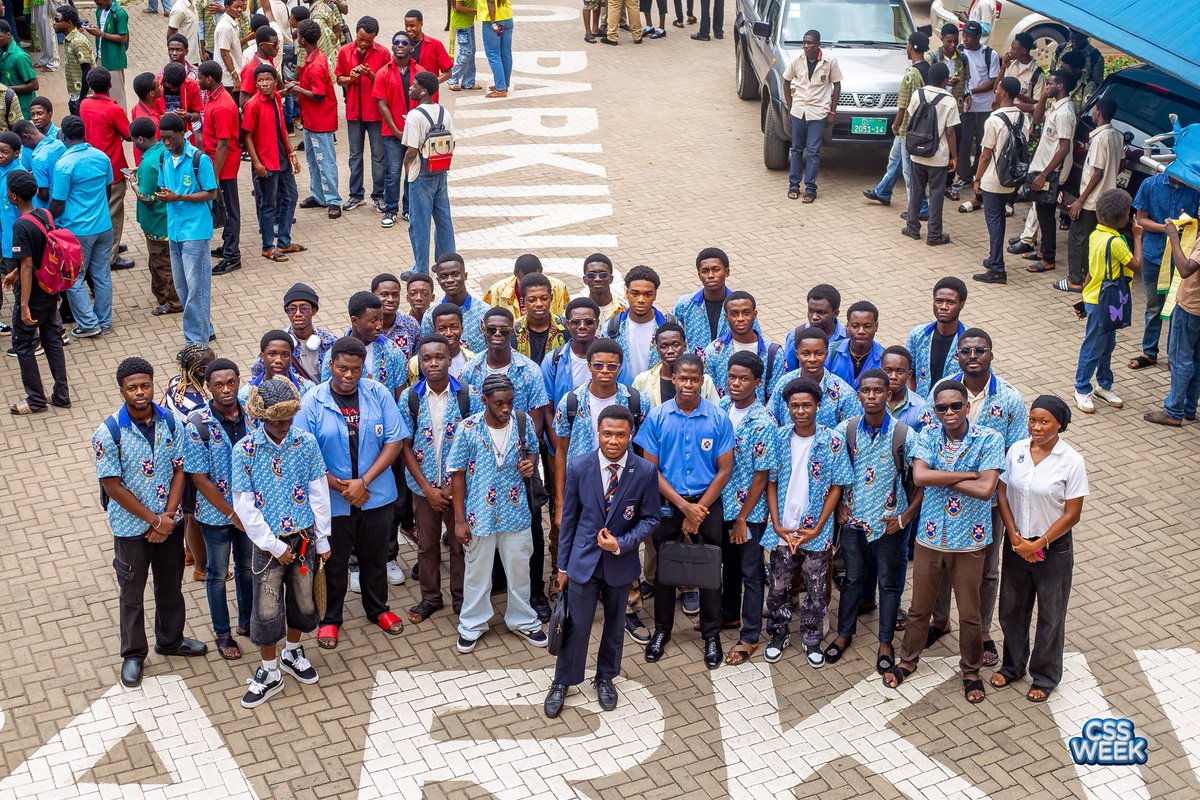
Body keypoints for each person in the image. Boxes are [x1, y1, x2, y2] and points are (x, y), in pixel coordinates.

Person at [883, 380, 1003, 704]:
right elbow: (921, 477)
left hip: (970, 539)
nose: (948, 413)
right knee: (920, 607)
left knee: (970, 612)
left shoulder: (990, 439)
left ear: (966, 406)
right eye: (941, 408)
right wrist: (966, 474)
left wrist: (943, 474)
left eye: (955, 406)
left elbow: (986, 490)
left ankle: (971, 671)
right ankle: (907, 661)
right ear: (934, 410)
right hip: (931, 537)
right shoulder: (927, 436)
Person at [93, 357, 208, 688]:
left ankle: (170, 640)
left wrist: (168, 517)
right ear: (122, 390)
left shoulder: (171, 422)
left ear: (152, 385)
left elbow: (180, 469)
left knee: (170, 584)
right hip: (131, 528)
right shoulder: (109, 432)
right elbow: (112, 484)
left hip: (168, 524)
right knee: (132, 592)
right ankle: (133, 654)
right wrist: (152, 519)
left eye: (145, 386)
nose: (140, 393)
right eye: (132, 388)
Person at [544, 405, 660, 717]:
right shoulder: (580, 466)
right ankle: (562, 681)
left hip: (619, 563)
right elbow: (568, 519)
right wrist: (563, 566)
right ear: (598, 432)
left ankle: (606, 677)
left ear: (630, 435)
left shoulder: (645, 471)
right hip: (583, 561)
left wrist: (622, 544)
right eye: (607, 433)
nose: (613, 440)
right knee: (576, 624)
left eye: (620, 434)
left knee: (614, 624)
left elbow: (650, 519)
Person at [923, 328, 1026, 667]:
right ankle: (939, 620)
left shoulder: (1009, 398)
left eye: (980, 350)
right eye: (966, 351)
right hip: (940, 499)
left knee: (987, 568)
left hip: (991, 499)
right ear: (957, 356)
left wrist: (992, 488)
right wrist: (958, 476)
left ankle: (981, 630)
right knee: (937, 560)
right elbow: (927, 441)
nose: (973, 356)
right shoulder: (941, 392)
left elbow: (1015, 453)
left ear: (991, 354)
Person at [296, 336, 407, 649]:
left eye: (355, 370)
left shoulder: (379, 394)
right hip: (333, 500)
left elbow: (395, 441)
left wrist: (365, 482)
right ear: (330, 365)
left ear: (363, 369)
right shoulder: (313, 401)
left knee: (375, 556)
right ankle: (331, 619)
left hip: (376, 495)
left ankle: (378, 609)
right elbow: (306, 452)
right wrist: (341, 486)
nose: (348, 375)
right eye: (342, 368)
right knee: (334, 561)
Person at [232, 378, 332, 708]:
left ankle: (292, 652)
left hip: (303, 538)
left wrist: (323, 539)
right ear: (261, 419)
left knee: (304, 603)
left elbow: (318, 491)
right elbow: (243, 505)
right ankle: (269, 670)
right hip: (267, 545)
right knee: (265, 608)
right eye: (276, 421)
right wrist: (275, 546)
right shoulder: (244, 450)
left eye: (288, 419)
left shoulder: (306, 443)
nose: (283, 426)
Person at [637, 353, 734, 668]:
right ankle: (662, 630)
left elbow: (724, 470)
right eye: (683, 378)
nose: (689, 384)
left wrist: (699, 509)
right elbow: (650, 470)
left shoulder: (718, 418)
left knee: (709, 569)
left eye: (695, 379)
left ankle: (711, 634)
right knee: (665, 568)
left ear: (702, 380)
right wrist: (683, 507)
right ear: (674, 379)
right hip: (668, 503)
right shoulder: (658, 417)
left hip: (707, 503)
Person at [458, 305, 552, 612]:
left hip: (520, 464)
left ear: (514, 332)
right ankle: (497, 583)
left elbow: (537, 419)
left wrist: (526, 455)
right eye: (492, 330)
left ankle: (534, 592)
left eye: (505, 330)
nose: (498, 335)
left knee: (530, 529)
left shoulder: (529, 370)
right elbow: (465, 416)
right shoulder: (470, 371)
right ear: (482, 329)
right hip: (482, 466)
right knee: (485, 528)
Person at [993, 395, 1087, 702]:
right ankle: (1013, 666)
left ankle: (1045, 675)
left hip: (1053, 548)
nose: (1036, 427)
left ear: (1059, 424)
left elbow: (1072, 513)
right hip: (1017, 542)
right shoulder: (1017, 451)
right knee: (1011, 609)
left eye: (1044, 421)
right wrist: (1016, 538)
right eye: (1032, 420)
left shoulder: (1071, 461)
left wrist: (1040, 542)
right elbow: (1003, 494)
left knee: (1051, 614)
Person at [550, 337, 646, 636]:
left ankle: (629, 608)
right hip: (584, 486)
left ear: (621, 367)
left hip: (621, 486)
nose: (605, 371)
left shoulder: (632, 400)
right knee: (578, 540)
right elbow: (561, 452)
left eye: (612, 366)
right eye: (599, 365)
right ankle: (572, 597)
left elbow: (639, 448)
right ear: (588, 366)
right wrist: (560, 499)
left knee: (623, 544)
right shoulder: (571, 401)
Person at [447, 373, 548, 652]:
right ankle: (472, 624)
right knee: (477, 572)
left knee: (519, 570)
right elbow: (456, 473)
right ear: (484, 401)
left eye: (510, 402)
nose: (506, 409)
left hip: (515, 512)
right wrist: (458, 520)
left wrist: (529, 464)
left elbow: (533, 452)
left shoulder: (522, 421)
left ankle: (523, 621)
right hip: (479, 513)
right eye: (499, 403)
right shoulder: (468, 428)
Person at [827, 369, 919, 672]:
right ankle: (844, 634)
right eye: (865, 391)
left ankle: (885, 641)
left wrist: (904, 517)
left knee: (889, 584)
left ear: (888, 395)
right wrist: (839, 503)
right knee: (852, 579)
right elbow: (833, 472)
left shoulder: (904, 435)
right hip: (853, 522)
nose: (871, 396)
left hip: (888, 523)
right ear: (858, 395)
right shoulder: (846, 430)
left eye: (878, 391)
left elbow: (921, 482)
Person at [761, 377, 851, 667]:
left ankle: (812, 639)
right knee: (778, 586)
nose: (801, 411)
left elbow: (837, 486)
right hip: (784, 529)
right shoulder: (778, 437)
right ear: (787, 408)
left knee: (815, 591)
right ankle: (778, 633)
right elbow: (770, 482)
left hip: (817, 532)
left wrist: (818, 526)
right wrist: (776, 523)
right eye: (795, 406)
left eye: (807, 405)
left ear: (817, 406)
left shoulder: (832, 441)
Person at [400, 334, 480, 622]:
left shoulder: (467, 396)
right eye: (427, 358)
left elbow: (474, 443)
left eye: (439, 357)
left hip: (458, 488)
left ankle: (461, 598)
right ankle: (431, 598)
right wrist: (426, 488)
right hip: (423, 490)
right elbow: (404, 445)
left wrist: (449, 487)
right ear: (419, 362)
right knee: (427, 544)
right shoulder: (410, 397)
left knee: (460, 543)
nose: (433, 363)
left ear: (450, 359)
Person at [183, 358, 253, 660]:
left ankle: (247, 623)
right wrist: (232, 514)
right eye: (218, 385)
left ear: (238, 381)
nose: (226, 390)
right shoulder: (198, 425)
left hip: (249, 512)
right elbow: (199, 478)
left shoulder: (253, 415)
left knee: (248, 570)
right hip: (217, 516)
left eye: (231, 383)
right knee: (217, 573)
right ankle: (223, 635)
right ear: (208, 388)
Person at [717, 351, 777, 665]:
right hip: (721, 506)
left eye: (744, 379)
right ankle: (728, 616)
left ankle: (750, 634)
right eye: (732, 377)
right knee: (728, 566)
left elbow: (762, 475)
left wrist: (742, 517)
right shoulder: (721, 409)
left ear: (756, 382)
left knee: (751, 573)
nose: (736, 384)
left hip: (748, 513)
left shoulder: (762, 422)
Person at [4, 169, 69, 415]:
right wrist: (15, 274)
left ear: (13, 196)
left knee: (22, 344)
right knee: (52, 338)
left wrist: (23, 305)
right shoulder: (45, 214)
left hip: (33, 295)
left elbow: (28, 264)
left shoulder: (21, 225)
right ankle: (61, 395)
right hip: (51, 288)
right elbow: (41, 253)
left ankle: (36, 400)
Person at [1074, 189, 1144, 414]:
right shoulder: (1116, 242)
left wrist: (1083, 296)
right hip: (1104, 302)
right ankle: (1081, 388)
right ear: (1121, 218)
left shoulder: (1097, 234)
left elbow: (1093, 268)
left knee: (1107, 344)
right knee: (1094, 346)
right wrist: (1139, 237)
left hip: (1097, 298)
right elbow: (1136, 265)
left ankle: (1103, 385)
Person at [155, 112, 217, 345]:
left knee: (196, 288)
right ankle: (205, 327)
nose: (167, 142)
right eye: (163, 138)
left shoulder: (199, 160)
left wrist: (179, 196)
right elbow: (164, 188)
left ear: (183, 133)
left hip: (196, 232)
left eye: (170, 138)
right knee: (183, 287)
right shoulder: (163, 158)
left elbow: (211, 192)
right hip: (174, 230)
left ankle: (195, 342)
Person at [50, 114, 113, 339]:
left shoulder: (64, 164)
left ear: (64, 136)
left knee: (74, 278)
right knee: (102, 275)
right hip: (104, 226)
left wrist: (46, 220)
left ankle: (88, 324)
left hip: (77, 231)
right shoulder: (101, 157)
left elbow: (58, 201)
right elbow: (108, 190)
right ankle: (104, 321)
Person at [1129, 174, 1200, 371]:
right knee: (1154, 307)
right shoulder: (1150, 184)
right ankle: (1149, 353)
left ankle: (1173, 356)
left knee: (1176, 309)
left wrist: (1188, 226)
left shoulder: (1194, 188)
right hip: (1154, 256)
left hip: (1181, 259)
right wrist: (1167, 229)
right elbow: (1141, 220)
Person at [1062, 98, 1124, 294]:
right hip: (1107, 197)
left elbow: (1096, 172)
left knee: (1078, 237)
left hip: (1092, 200)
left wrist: (1080, 200)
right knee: (1092, 238)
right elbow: (1121, 163)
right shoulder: (1117, 135)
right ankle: (1089, 277)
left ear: (1099, 113)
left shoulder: (1099, 138)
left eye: (1095, 110)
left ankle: (1074, 280)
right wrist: (1111, 176)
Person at [863, 31, 930, 212]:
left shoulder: (911, 74)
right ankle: (883, 191)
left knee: (909, 172)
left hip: (908, 128)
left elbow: (903, 105)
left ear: (911, 47)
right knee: (895, 160)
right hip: (918, 127)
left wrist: (896, 124)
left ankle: (920, 209)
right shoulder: (928, 68)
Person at [242, 64, 303, 263]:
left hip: (282, 159)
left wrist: (291, 151)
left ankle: (284, 241)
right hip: (266, 163)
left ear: (275, 81)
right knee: (268, 204)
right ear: (255, 83)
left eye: (268, 79)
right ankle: (268, 246)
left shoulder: (276, 97)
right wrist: (257, 163)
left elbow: (282, 129)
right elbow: (247, 136)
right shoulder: (253, 105)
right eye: (260, 80)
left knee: (291, 196)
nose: (264, 84)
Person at [1020, 70, 1078, 275]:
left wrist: (1044, 174)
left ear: (1060, 86)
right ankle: (1044, 251)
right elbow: (1036, 118)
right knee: (1041, 209)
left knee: (1046, 214)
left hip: (1051, 172)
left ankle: (1048, 258)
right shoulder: (1056, 107)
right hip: (1042, 167)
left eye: (1050, 84)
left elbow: (1064, 148)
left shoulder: (1065, 113)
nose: (1047, 86)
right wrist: (1043, 96)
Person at [79, 68, 134, 273]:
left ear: (91, 86)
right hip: (112, 167)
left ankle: (109, 245)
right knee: (114, 211)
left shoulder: (84, 105)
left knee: (99, 208)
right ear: (110, 86)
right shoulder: (113, 109)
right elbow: (129, 134)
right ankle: (110, 256)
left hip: (90, 166)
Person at [1145, 222, 1200, 426]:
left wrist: (1174, 238)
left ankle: (1173, 411)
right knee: (1196, 360)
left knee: (1180, 359)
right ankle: (1188, 407)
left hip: (1190, 308)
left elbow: (1186, 269)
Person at [970, 77, 1022, 284]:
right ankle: (993, 258)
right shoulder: (1021, 116)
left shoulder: (994, 120)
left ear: (1004, 93)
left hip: (993, 179)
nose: (996, 90)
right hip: (1012, 177)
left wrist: (977, 178)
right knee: (999, 218)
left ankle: (998, 268)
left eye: (998, 88)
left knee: (994, 222)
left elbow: (985, 154)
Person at [373, 31, 427, 229]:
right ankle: (390, 209)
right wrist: (396, 130)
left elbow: (426, 102)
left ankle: (408, 208)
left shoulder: (420, 73)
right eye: (396, 42)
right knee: (393, 171)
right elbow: (382, 104)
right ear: (393, 46)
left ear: (412, 48)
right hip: (392, 133)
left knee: (411, 170)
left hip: (415, 134)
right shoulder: (383, 73)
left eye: (405, 42)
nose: (400, 45)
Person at [127, 117, 180, 317]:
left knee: (163, 265)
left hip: (157, 224)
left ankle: (173, 302)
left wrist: (133, 183)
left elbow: (146, 197)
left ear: (140, 139)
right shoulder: (162, 151)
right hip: (168, 220)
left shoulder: (149, 162)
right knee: (164, 262)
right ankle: (165, 296)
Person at [403, 71, 455, 275]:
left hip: (421, 174)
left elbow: (411, 150)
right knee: (444, 221)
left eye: (414, 85)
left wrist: (407, 169)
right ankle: (447, 265)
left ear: (423, 91)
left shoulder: (415, 115)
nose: (411, 88)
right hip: (440, 171)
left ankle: (420, 269)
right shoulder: (444, 112)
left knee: (419, 224)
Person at [902, 62, 958, 247]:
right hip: (938, 155)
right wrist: (954, 156)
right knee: (936, 195)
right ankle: (934, 234)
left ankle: (912, 227)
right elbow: (950, 132)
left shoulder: (918, 94)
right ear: (945, 80)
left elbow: (910, 118)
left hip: (917, 153)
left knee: (916, 190)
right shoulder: (949, 100)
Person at [337, 16, 389, 213]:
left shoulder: (383, 53)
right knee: (354, 155)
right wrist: (350, 77)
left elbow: (387, 83)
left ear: (374, 37)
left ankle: (378, 196)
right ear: (356, 33)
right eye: (361, 38)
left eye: (368, 40)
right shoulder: (344, 51)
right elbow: (339, 79)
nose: (364, 43)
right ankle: (356, 195)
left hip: (375, 113)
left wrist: (370, 75)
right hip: (353, 112)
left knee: (378, 156)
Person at [782, 30, 841, 203]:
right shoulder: (796, 60)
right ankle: (793, 186)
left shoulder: (829, 61)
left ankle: (810, 189)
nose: (806, 46)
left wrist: (832, 112)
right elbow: (785, 81)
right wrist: (790, 105)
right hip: (799, 111)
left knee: (813, 151)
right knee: (796, 149)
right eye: (804, 42)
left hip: (818, 113)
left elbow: (837, 86)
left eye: (810, 43)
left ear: (818, 44)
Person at [290, 19, 341, 218]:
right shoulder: (312, 59)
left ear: (302, 40)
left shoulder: (317, 64)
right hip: (311, 119)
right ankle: (319, 195)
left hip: (321, 120)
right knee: (313, 159)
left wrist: (297, 88)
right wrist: (297, 85)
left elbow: (318, 94)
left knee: (325, 161)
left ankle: (334, 200)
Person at [767, 327, 862, 429]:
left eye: (818, 353)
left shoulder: (844, 393)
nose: (812, 359)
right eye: (806, 354)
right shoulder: (784, 383)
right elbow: (770, 417)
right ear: (797, 354)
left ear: (826, 354)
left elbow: (852, 430)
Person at [196, 61, 241, 275]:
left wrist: (214, 175)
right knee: (224, 206)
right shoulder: (215, 98)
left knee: (230, 209)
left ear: (209, 80)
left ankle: (232, 255)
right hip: (218, 162)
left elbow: (223, 143)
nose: (198, 81)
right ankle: (227, 245)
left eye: (200, 78)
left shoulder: (222, 105)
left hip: (224, 165)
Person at [319, 291, 408, 398]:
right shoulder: (334, 355)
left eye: (381, 320)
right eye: (373, 321)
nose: (379, 326)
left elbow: (401, 397)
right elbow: (326, 394)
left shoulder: (392, 351)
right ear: (355, 321)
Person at [703, 290, 784, 403]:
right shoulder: (713, 351)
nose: (740, 318)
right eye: (734, 314)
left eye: (746, 313)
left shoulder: (774, 353)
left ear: (754, 314)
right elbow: (708, 392)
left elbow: (776, 398)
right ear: (726, 317)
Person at [953, 21, 998, 204]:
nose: (965, 39)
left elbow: (993, 81)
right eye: (964, 35)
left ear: (979, 37)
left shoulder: (990, 54)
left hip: (985, 106)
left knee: (982, 143)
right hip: (966, 106)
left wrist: (973, 92)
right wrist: (965, 93)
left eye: (969, 36)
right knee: (963, 142)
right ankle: (963, 175)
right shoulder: (960, 52)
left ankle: (978, 175)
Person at [606, 265, 674, 379]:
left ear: (655, 295)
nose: (641, 300)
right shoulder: (612, 327)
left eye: (647, 294)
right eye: (635, 294)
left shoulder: (669, 326)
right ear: (626, 293)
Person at [633, 321, 720, 408]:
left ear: (684, 346)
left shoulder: (705, 381)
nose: (670, 351)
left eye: (676, 345)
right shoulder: (642, 381)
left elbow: (716, 412)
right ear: (658, 349)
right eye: (664, 346)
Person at [906, 277, 968, 397]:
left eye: (950, 302)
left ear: (961, 305)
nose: (943, 306)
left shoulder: (970, 342)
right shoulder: (918, 335)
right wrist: (913, 401)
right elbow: (909, 372)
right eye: (939, 301)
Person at [672, 247, 742, 353]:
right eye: (705, 271)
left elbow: (755, 340)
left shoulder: (741, 305)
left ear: (727, 272)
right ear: (699, 275)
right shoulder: (684, 305)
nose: (710, 275)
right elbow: (671, 338)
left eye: (716, 270)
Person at [419, 253, 488, 351]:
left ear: (465, 276)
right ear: (438, 280)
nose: (450, 280)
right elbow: (427, 350)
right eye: (444, 276)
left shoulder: (484, 312)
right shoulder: (430, 316)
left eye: (455, 274)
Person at [542, 298, 601, 406]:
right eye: (575, 322)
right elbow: (547, 406)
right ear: (568, 325)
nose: (582, 326)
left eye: (589, 322)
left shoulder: (613, 357)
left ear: (597, 323)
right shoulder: (552, 360)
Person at [242, 330, 317, 409]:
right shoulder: (246, 395)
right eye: (272, 354)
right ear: (262, 357)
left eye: (285, 354)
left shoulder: (308, 389)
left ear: (291, 357)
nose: (278, 360)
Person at [483, 252, 571, 320]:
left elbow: (565, 316)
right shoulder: (497, 290)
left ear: (541, 271)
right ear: (515, 274)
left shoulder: (558, 287)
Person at [781, 284, 847, 372]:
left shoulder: (847, 338)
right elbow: (789, 371)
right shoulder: (795, 336)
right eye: (811, 311)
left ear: (835, 313)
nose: (814, 317)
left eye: (821, 312)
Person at [410, 301, 476, 382]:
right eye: (442, 329)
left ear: (462, 329)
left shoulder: (473, 361)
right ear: (435, 331)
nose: (448, 333)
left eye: (454, 327)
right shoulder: (416, 363)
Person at [827, 300, 883, 388]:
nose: (861, 331)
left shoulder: (883, 358)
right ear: (847, 326)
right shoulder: (830, 352)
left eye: (867, 326)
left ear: (876, 326)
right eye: (855, 326)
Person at [511, 273, 565, 365]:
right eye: (532, 300)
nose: (539, 304)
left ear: (551, 298)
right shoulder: (513, 331)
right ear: (522, 301)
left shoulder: (565, 327)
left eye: (544, 298)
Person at [85, 0, 129, 108]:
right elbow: (102, 29)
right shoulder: (99, 11)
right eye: (96, 3)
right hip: (100, 57)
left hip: (113, 61)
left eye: (99, 3)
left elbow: (123, 38)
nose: (97, 5)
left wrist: (101, 34)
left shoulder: (119, 14)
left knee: (116, 97)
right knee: (101, 95)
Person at [373, 272, 421, 359]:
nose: (391, 300)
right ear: (373, 296)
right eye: (384, 295)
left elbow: (417, 360)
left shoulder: (411, 325)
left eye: (395, 295)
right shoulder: (365, 326)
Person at [55, 6, 94, 115]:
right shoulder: (69, 40)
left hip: (85, 96)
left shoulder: (77, 42)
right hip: (76, 95)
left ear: (69, 23)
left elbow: (87, 71)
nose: (54, 23)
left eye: (57, 20)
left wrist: (81, 100)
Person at [404, 9, 453, 90]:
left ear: (421, 24)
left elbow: (448, 73)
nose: (408, 29)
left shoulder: (435, 45)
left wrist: (431, 84)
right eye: (406, 25)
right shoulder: (401, 45)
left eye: (412, 26)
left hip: (428, 97)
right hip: (406, 92)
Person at [0, 21, 37, 117]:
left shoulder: (19, 57)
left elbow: (34, 85)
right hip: (9, 109)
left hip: (22, 111)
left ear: (8, 34)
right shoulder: (2, 52)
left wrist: (6, 89)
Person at [239, 24, 281, 106]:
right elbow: (244, 102)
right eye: (274, 44)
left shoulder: (269, 61)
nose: (278, 47)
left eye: (278, 43)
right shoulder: (250, 68)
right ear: (262, 46)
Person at [479, 0, 513, 98]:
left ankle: (500, 89)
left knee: (493, 54)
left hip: (495, 22)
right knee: (505, 52)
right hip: (506, 18)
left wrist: (493, 23)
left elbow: (490, 1)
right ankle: (504, 84)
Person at [582, 253, 626, 325]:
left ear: (611, 279)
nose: (597, 279)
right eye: (591, 275)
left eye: (603, 275)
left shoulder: (624, 310)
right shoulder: (576, 311)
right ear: (585, 280)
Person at [215, 0, 246, 93]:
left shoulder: (232, 22)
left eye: (241, 7)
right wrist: (235, 76)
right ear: (227, 8)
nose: (240, 10)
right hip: (228, 79)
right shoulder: (225, 27)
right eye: (236, 7)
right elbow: (225, 54)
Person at [449, 0, 478, 90]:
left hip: (468, 23)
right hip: (462, 25)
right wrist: (477, 12)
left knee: (471, 52)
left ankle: (468, 82)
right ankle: (452, 79)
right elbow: (459, 7)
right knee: (465, 53)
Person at [167, 0, 203, 65]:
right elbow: (171, 32)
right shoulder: (179, 9)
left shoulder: (192, 3)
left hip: (193, 55)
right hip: (184, 59)